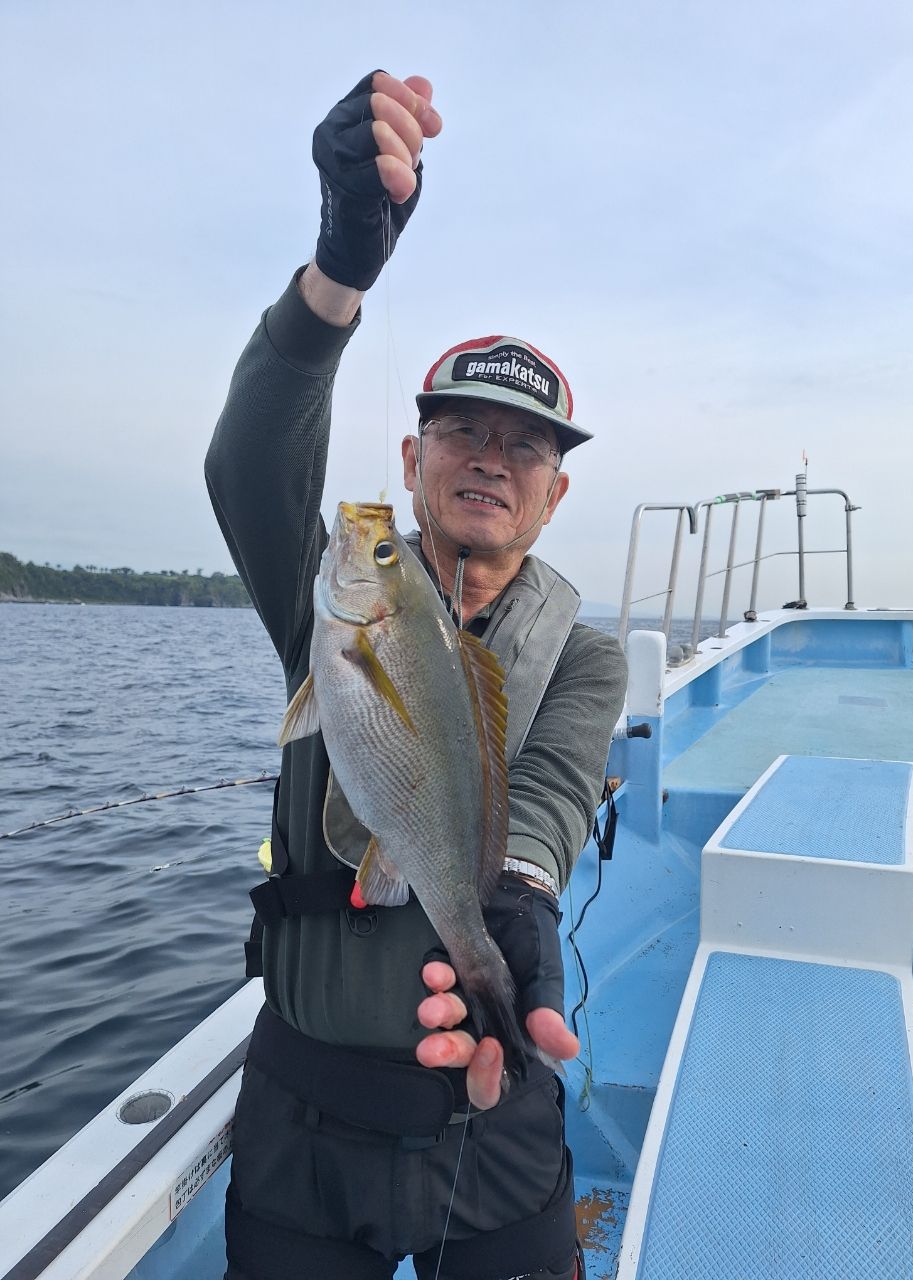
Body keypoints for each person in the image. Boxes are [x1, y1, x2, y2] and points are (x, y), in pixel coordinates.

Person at [205, 70, 628, 1280]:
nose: (490, 460)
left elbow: (542, 803)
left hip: (489, 1121)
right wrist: (337, 272)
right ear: (413, 453)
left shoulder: (582, 656)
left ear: (555, 495)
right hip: (298, 1114)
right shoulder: (334, 593)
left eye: (525, 446)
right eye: (461, 432)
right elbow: (247, 459)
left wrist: (514, 932)